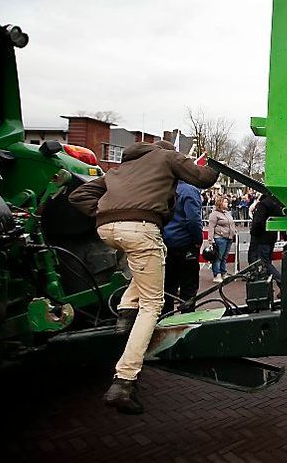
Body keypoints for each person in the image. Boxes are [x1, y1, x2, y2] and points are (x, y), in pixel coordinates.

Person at [68, 140, 218, 414]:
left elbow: (77, 196)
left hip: (108, 230)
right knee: (152, 304)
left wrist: (105, 212)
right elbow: (203, 178)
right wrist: (214, 167)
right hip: (141, 229)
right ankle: (124, 380)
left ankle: (125, 314)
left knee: (147, 266)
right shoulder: (165, 157)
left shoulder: (119, 170)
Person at [161, 180, 203, 314]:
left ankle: (166, 317)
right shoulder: (190, 190)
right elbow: (193, 220)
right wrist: (198, 240)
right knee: (188, 286)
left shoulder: (163, 188)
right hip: (185, 243)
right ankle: (186, 318)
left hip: (166, 243)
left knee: (167, 285)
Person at [248, 194, 284, 285]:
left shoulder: (263, 205)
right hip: (271, 236)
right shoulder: (276, 203)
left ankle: (282, 282)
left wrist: (254, 232)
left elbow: (258, 222)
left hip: (261, 237)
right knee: (267, 260)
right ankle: (269, 283)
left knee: (265, 262)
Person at [208, 196, 237, 282]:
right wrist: (211, 240)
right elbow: (211, 227)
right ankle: (217, 274)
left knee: (224, 257)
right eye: (225, 202)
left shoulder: (227, 213)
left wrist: (234, 232)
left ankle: (223, 273)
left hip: (229, 238)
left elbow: (231, 224)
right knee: (218, 257)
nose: (227, 203)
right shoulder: (214, 214)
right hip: (220, 238)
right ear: (220, 203)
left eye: (227, 202)